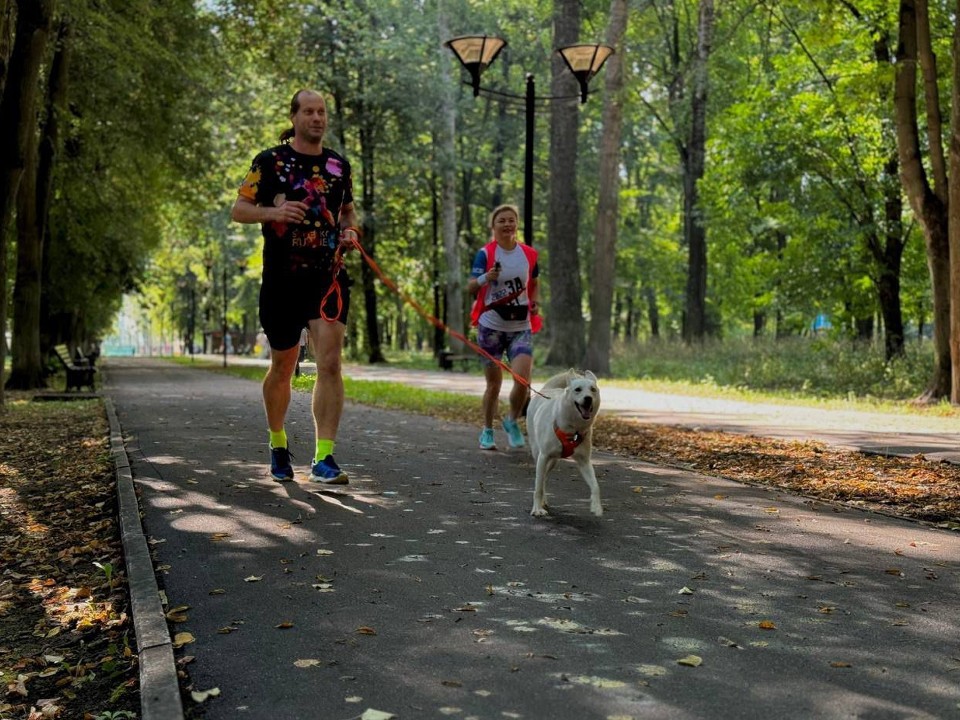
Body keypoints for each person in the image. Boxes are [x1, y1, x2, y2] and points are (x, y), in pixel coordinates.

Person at [230, 88, 361, 485]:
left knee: (330, 364)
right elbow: (239, 209)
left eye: (322, 112)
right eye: (309, 111)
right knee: (283, 366)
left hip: (328, 278)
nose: (317, 118)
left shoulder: (339, 165)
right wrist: (274, 211)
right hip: (282, 280)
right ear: (295, 117)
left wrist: (350, 231)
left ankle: (324, 457)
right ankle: (277, 442)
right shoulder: (270, 162)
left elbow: (348, 210)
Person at [468, 204, 541, 451]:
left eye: (511, 220)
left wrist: (535, 302)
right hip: (491, 327)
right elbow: (470, 287)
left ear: (516, 224)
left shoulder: (529, 254)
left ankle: (511, 420)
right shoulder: (485, 254)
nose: (507, 224)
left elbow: (535, 281)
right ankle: (487, 430)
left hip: (521, 326)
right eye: (502, 221)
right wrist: (485, 278)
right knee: (494, 384)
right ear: (494, 225)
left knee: (522, 380)